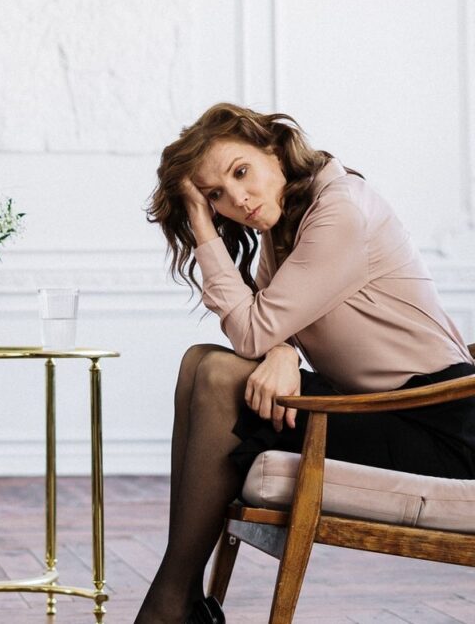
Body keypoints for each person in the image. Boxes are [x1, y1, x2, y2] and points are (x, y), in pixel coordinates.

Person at [138, 103, 475, 624]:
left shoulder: (340, 211)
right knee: (200, 362)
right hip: (379, 408)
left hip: (440, 424)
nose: (237, 199)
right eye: (214, 196)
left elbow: (254, 325)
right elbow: (276, 323)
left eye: (240, 172)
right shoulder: (288, 219)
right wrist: (281, 352)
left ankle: (170, 602)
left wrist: (202, 228)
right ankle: (177, 598)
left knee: (220, 374)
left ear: (273, 149)